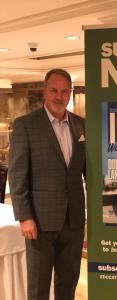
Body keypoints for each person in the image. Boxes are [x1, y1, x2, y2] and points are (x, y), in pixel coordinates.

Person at [8, 68, 86, 300]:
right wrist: (24, 216)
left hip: (73, 223)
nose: (59, 96)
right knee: (39, 287)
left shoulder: (82, 125)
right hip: (39, 223)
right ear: (44, 92)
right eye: (53, 90)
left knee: (68, 284)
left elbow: (87, 171)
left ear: (71, 93)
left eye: (64, 91)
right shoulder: (26, 125)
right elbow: (17, 174)